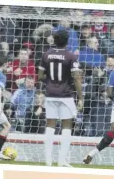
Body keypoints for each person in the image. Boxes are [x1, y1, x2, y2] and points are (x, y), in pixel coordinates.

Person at [38, 29, 83, 167]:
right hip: (66, 95)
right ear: (67, 41)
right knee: (67, 126)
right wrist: (81, 97)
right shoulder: (70, 56)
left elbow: (40, 76)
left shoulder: (46, 55)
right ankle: (62, 160)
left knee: (50, 125)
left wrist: (51, 82)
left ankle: (48, 160)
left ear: (55, 40)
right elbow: (76, 78)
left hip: (50, 95)